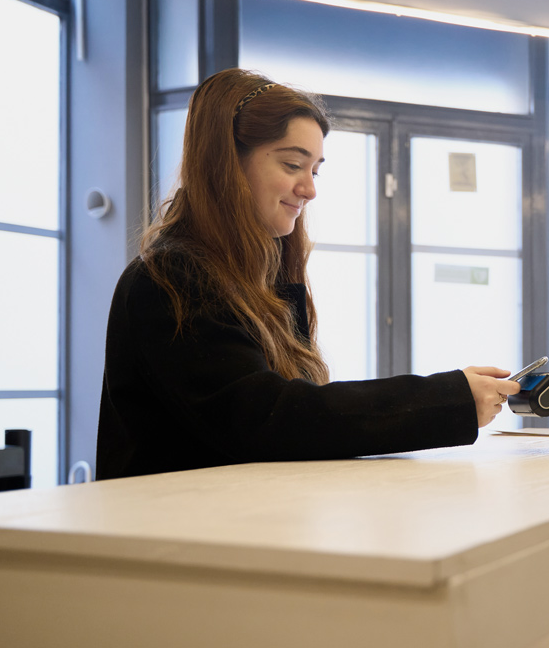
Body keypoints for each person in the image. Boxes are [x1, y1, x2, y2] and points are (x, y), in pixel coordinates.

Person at [96, 68, 520, 481]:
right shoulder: (172, 277)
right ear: (227, 163)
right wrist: (449, 400)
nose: (310, 189)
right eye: (292, 165)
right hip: (176, 524)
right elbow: (268, 418)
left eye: (314, 170)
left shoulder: (257, 275)